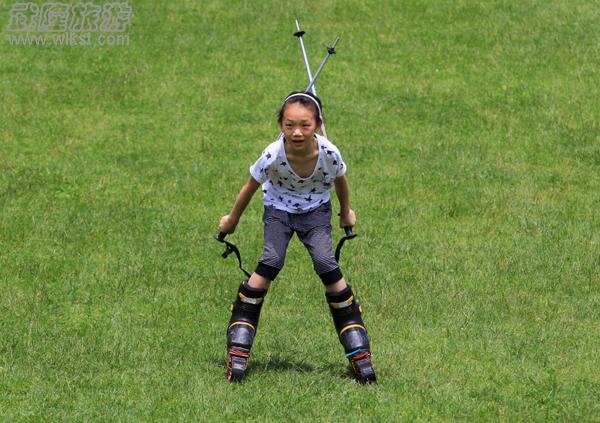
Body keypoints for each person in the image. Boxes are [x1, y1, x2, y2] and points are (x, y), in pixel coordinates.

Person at [218, 91, 376, 383]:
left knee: (326, 264)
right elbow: (250, 186)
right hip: (278, 210)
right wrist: (232, 220)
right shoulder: (272, 154)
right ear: (281, 125)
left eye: (305, 125)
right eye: (289, 125)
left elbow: (340, 181)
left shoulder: (329, 153)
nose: (297, 132)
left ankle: (359, 352)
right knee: (271, 261)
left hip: (316, 212)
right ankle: (238, 347)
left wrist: (345, 212)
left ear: (318, 125)